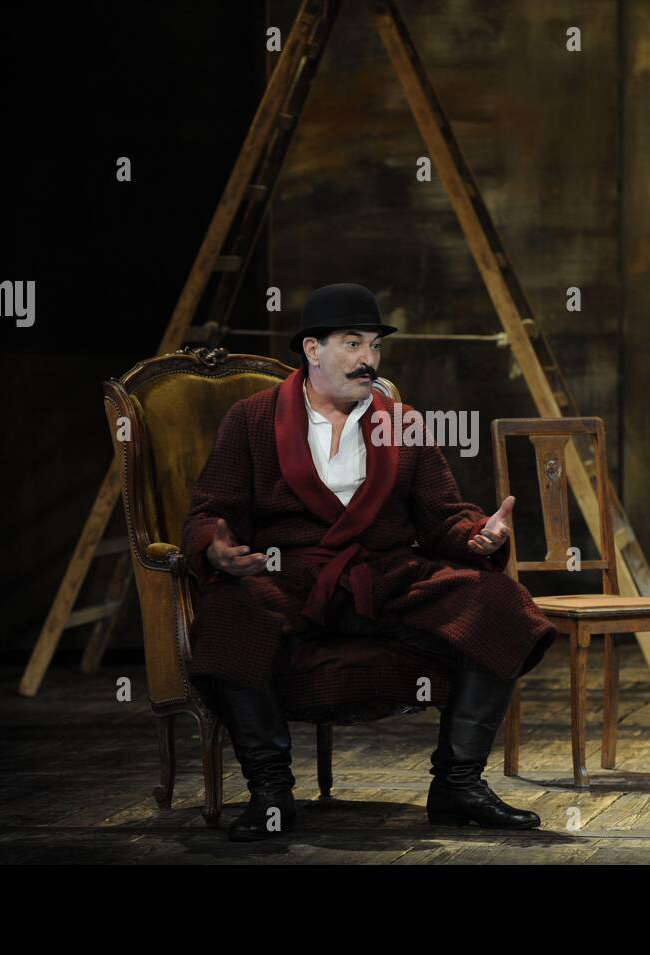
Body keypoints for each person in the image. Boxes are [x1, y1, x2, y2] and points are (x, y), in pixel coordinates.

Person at [181, 283, 556, 841]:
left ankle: (458, 783)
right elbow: (211, 509)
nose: (368, 360)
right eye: (352, 344)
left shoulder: (401, 422)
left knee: (499, 602)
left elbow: (442, 517)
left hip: (384, 577)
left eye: (374, 346)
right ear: (312, 349)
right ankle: (270, 793)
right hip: (290, 578)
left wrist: (478, 535)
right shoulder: (252, 419)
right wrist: (214, 544)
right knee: (231, 608)